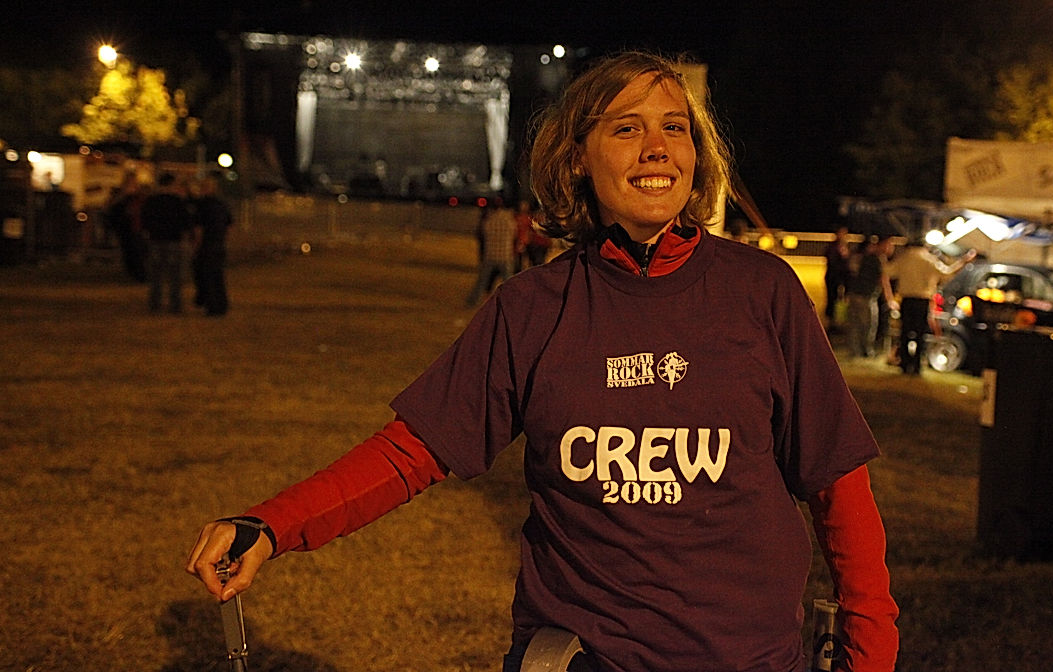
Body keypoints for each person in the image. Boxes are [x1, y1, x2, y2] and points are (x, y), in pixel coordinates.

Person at [186, 51, 899, 672]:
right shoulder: (532, 307)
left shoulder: (764, 292)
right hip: (578, 658)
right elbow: (411, 453)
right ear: (578, 157)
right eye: (628, 128)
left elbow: (838, 483)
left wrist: (870, 654)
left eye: (675, 128)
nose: (657, 148)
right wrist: (272, 525)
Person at [890, 240, 976, 375]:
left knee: (905, 332)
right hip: (922, 300)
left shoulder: (905, 258)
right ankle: (916, 365)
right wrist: (963, 261)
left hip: (907, 299)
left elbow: (890, 271)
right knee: (920, 333)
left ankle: (905, 363)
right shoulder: (929, 259)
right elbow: (947, 273)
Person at [140, 171, 193, 314]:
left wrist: (148, 233)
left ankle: (155, 303)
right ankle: (175, 304)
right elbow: (186, 221)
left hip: (156, 239)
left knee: (156, 274)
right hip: (174, 240)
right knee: (175, 274)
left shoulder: (151, 201)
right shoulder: (178, 201)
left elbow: (144, 219)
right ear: (172, 184)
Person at [844, 236, 897, 358]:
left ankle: (854, 351)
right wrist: (890, 299)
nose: (891, 248)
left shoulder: (864, 256)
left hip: (854, 294)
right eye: (889, 245)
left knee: (854, 323)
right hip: (866, 296)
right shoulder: (878, 259)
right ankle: (866, 350)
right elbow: (884, 280)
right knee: (868, 325)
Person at [191, 173, 234, 316]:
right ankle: (222, 304)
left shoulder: (202, 205)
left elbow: (199, 229)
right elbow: (229, 225)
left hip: (207, 245)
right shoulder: (221, 204)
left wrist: (196, 246)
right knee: (218, 276)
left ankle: (213, 306)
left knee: (207, 276)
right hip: (218, 244)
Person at [466, 197, 518, 305]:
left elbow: (483, 234)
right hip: (505, 255)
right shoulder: (508, 220)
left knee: (482, 281)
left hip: (490, 254)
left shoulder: (489, 220)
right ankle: (513, 303)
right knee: (508, 282)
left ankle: (473, 300)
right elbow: (514, 233)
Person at [823, 225, 851, 330]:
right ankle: (831, 322)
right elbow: (832, 262)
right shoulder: (832, 247)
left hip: (842, 277)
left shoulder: (845, 246)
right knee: (832, 299)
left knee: (842, 300)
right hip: (833, 277)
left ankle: (839, 321)